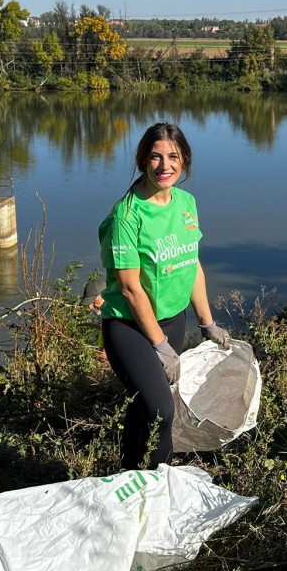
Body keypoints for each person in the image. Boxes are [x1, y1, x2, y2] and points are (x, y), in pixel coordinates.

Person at [96, 122, 231, 470]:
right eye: (155, 157)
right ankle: (160, 488)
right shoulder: (126, 216)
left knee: (144, 406)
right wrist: (159, 344)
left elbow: (192, 265)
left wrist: (207, 323)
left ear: (184, 159)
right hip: (130, 326)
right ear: (143, 160)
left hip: (173, 319)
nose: (165, 165)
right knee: (162, 410)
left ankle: (128, 474)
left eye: (173, 156)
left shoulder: (186, 203)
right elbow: (129, 288)